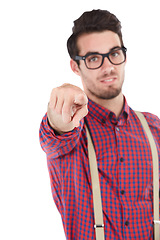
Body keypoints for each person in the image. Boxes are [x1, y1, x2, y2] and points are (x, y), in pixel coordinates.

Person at [39, 9, 160, 240]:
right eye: (93, 58)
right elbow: (55, 135)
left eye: (114, 53)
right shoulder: (73, 130)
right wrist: (60, 111)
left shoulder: (154, 127)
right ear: (76, 67)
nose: (108, 67)